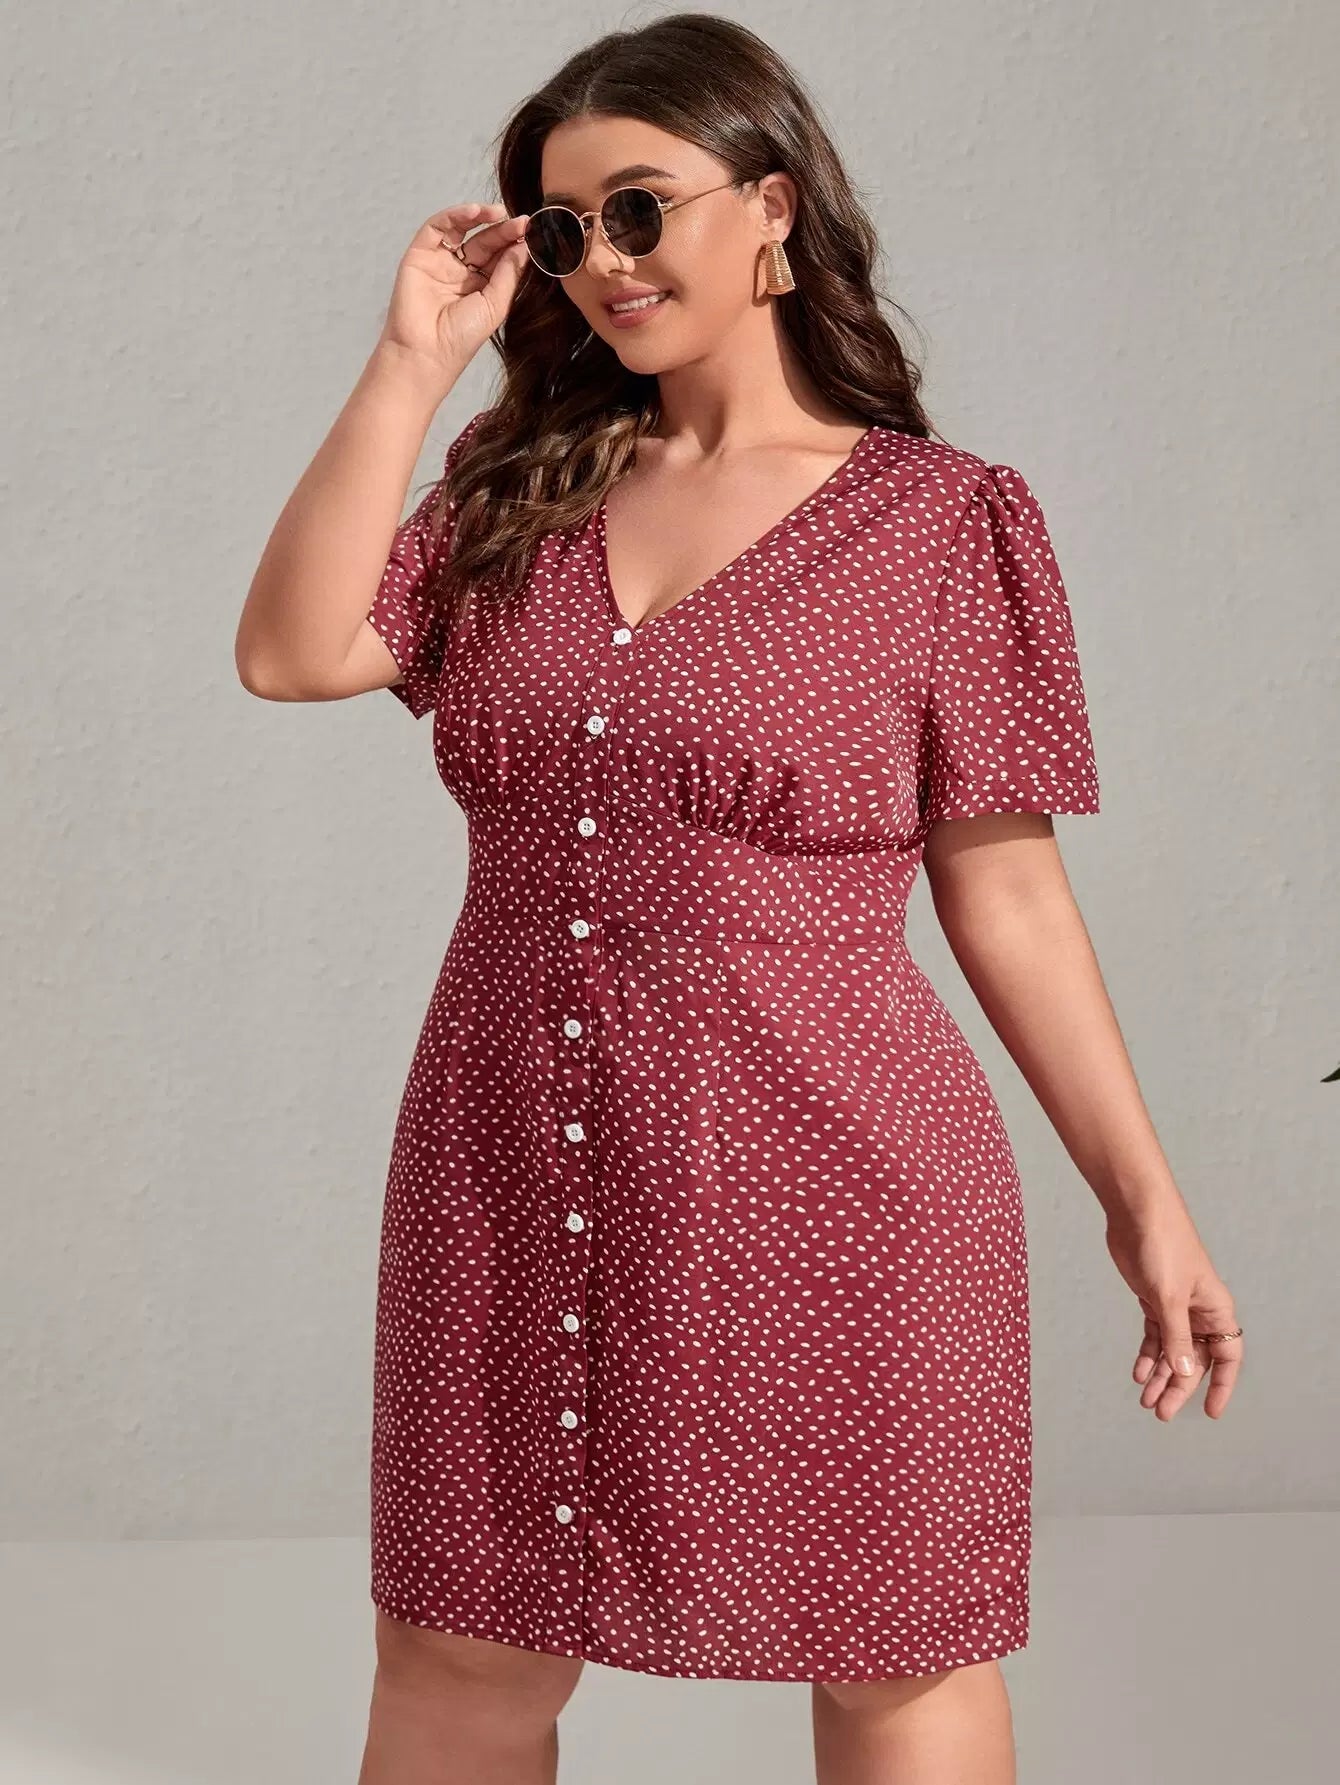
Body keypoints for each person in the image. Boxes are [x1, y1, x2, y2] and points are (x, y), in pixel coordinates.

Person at [234, 14, 1243, 1785]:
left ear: (772, 206)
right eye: (565, 229)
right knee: (457, 1648)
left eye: (641, 209)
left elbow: (1008, 895)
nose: (603, 261)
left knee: (895, 1656)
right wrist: (410, 363)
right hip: (509, 1166)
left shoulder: (943, 525)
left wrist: (1143, 1205)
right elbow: (291, 650)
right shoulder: (510, 492)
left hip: (845, 1183)